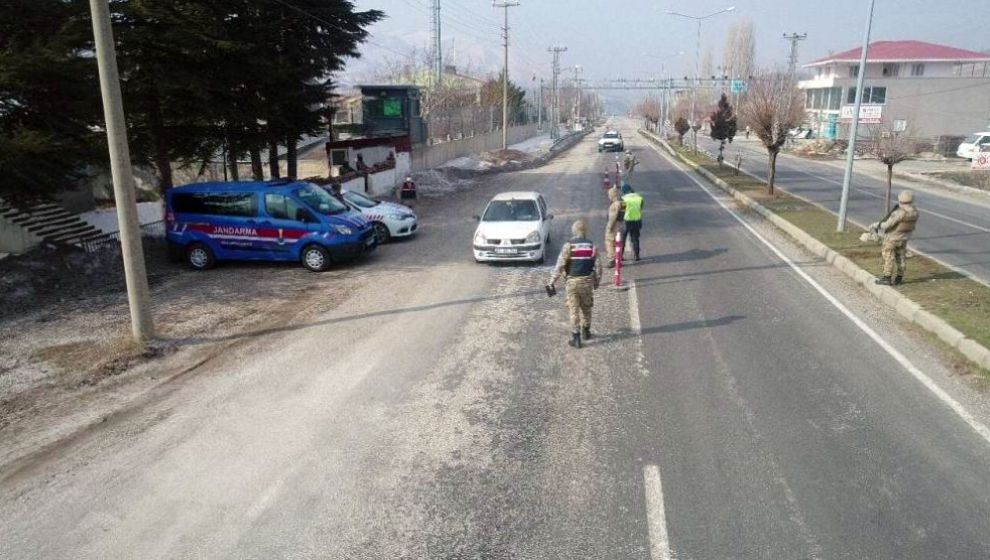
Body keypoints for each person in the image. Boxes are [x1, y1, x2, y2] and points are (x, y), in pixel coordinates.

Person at [547, 220, 603, 349]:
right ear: (585, 231)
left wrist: (551, 282)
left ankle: (576, 338)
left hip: (572, 283)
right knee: (587, 308)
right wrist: (596, 282)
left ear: (574, 231)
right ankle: (586, 331)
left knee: (574, 310)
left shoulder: (568, 246)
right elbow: (599, 268)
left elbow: (560, 266)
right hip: (587, 282)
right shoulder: (592, 246)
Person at [870, 190, 919, 286]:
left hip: (892, 238)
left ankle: (887, 277)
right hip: (904, 238)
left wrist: (876, 225)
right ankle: (899, 277)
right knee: (901, 257)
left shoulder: (900, 212)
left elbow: (888, 225)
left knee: (888, 256)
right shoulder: (914, 211)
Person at [621, 184, 644, 261]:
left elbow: (622, 210)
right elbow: (641, 207)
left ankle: (620, 256)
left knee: (623, 239)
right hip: (637, 220)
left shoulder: (624, 199)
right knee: (635, 238)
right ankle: (637, 255)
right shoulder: (639, 198)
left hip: (627, 221)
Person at [605, 186, 623, 267]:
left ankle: (612, 259)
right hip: (620, 226)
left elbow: (613, 218)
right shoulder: (622, 203)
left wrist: (609, 227)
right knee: (618, 244)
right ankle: (618, 259)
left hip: (614, 227)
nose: (609, 197)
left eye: (609, 195)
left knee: (610, 243)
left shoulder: (614, 205)